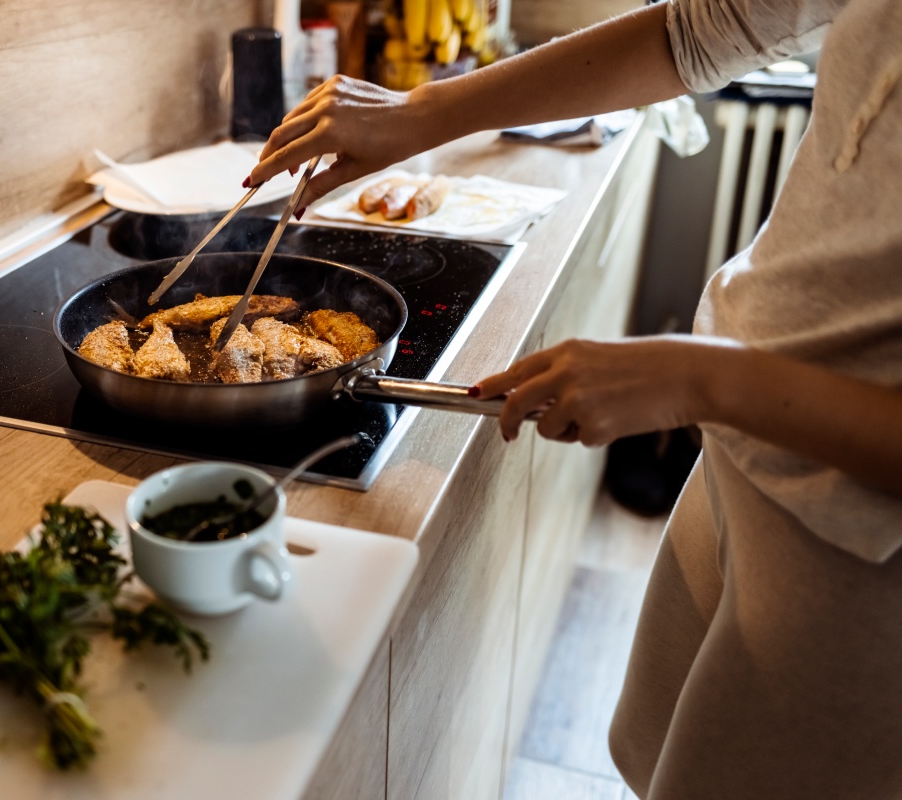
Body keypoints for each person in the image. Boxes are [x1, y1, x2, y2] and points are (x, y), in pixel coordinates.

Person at [249, 0, 902, 797]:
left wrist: (705, 378)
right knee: (662, 761)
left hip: (863, 547)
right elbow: (698, 32)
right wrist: (419, 113)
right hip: (746, 445)